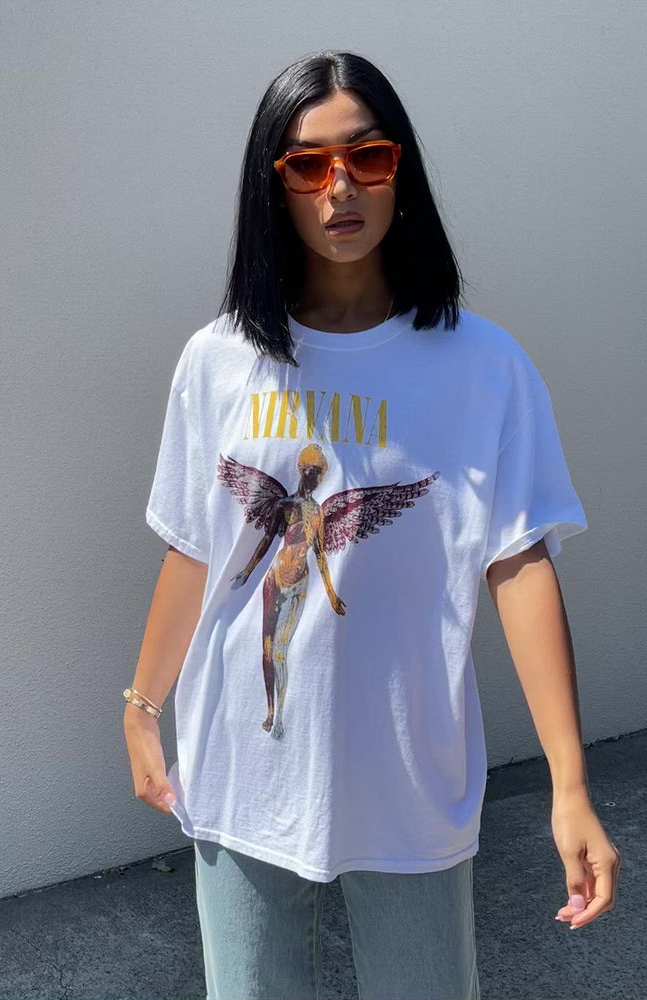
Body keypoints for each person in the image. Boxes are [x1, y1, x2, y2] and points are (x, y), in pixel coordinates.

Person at [123, 49, 621, 1000]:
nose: (340, 186)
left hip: (409, 778)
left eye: (368, 156)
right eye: (308, 165)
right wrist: (142, 707)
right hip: (243, 773)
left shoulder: (482, 367)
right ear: (273, 188)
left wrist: (569, 783)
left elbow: (518, 565)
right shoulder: (220, 360)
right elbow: (197, 546)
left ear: (403, 170)